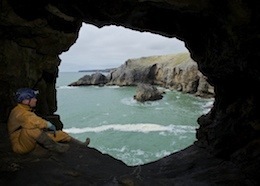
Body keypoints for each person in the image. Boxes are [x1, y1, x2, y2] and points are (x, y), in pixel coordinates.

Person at [7, 87, 90, 155]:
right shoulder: (19, 112)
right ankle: (55, 147)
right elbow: (33, 121)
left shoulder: (24, 109)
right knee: (31, 130)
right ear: (25, 101)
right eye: (33, 98)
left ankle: (81, 145)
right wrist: (47, 124)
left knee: (60, 134)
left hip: (26, 140)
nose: (35, 100)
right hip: (19, 145)